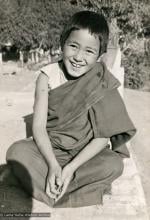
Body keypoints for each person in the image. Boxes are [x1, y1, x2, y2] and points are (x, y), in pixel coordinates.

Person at [6, 10, 136, 208]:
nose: (78, 57)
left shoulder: (101, 80)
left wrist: (69, 169)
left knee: (114, 164)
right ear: (62, 44)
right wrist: (52, 165)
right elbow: (39, 128)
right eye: (73, 46)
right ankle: (78, 191)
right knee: (17, 152)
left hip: (84, 155)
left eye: (89, 51)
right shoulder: (47, 76)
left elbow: (103, 137)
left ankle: (44, 185)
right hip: (51, 151)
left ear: (100, 55)